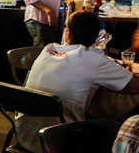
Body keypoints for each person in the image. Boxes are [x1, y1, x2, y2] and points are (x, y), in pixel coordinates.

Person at [15, 10, 139, 153]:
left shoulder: (49, 49)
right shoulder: (94, 58)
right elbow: (135, 86)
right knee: (117, 126)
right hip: (60, 140)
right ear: (95, 37)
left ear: (67, 34)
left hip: (24, 135)